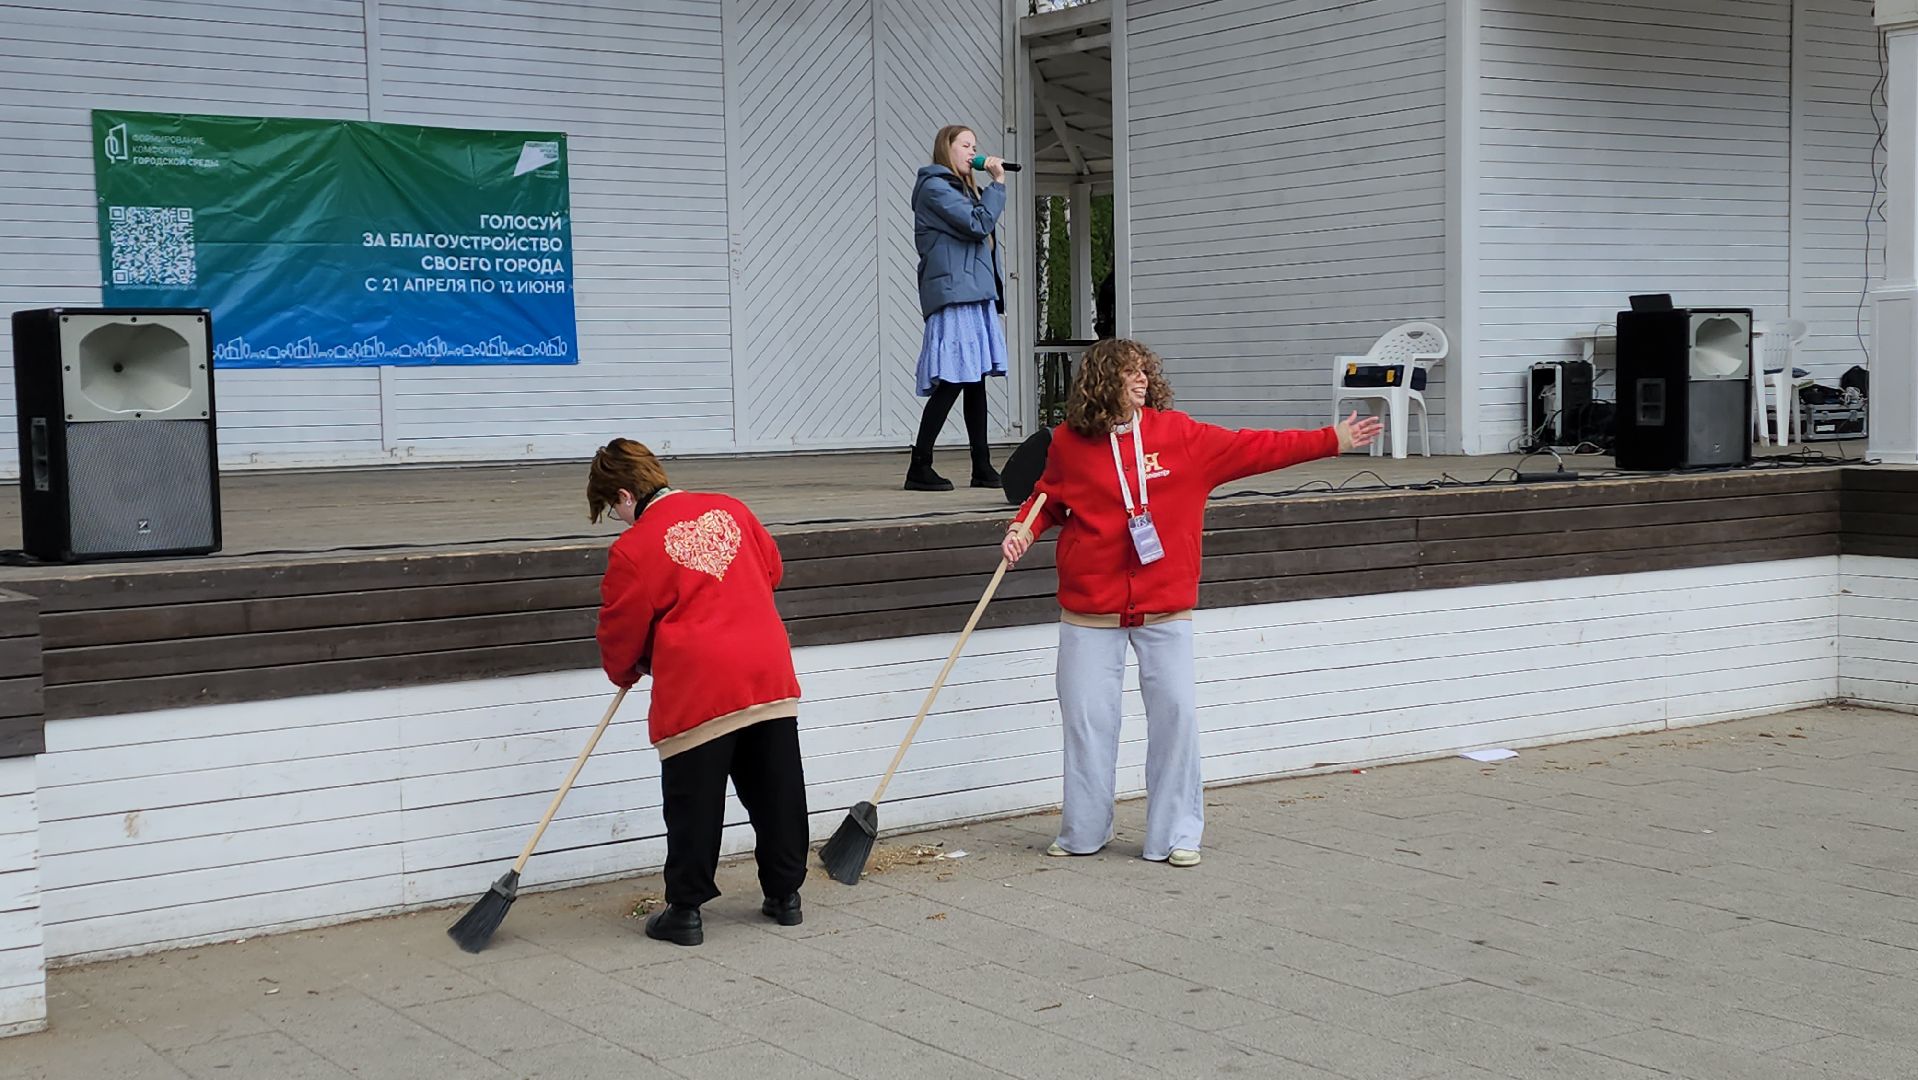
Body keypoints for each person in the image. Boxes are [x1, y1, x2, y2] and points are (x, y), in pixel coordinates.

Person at [1000, 340, 1381, 867]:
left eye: (1143, 371)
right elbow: (1047, 498)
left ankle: (1175, 835)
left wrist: (1332, 439)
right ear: (1102, 381)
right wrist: (1023, 529)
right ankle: (1083, 831)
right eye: (1128, 372)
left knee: (1176, 717)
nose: (1141, 380)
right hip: (1090, 608)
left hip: (1165, 605)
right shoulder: (1069, 443)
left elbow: (1258, 447)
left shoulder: (1179, 435)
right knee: (1087, 720)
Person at [588, 438, 809, 946]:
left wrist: (625, 669)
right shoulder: (731, 508)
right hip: (765, 666)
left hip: (699, 682)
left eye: (612, 509)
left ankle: (685, 911)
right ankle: (785, 896)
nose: (619, 520)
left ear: (624, 495)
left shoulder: (634, 547)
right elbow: (771, 569)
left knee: (695, 800)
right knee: (776, 789)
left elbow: (620, 626)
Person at [906, 124, 1013, 493]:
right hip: (955, 294)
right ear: (946, 149)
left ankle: (982, 466)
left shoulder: (963, 189)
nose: (973, 152)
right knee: (953, 379)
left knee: (974, 381)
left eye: (975, 146)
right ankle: (919, 466)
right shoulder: (935, 188)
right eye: (965, 145)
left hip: (971, 293)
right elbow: (977, 224)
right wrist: (997, 184)